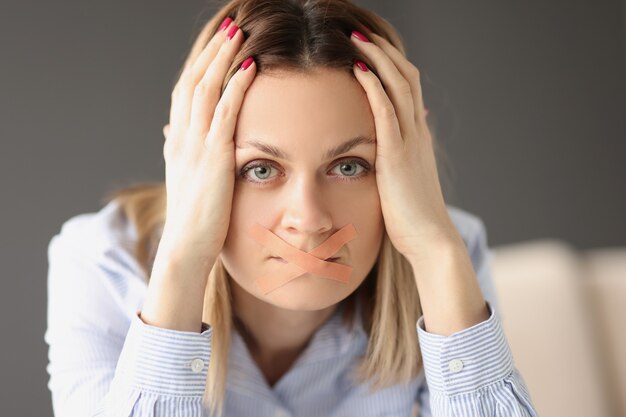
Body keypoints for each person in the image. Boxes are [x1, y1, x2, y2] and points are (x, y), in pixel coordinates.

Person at [45, 0, 539, 416]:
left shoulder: (450, 251)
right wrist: (184, 259)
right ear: (189, 162)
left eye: (348, 166)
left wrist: (437, 253)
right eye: (260, 169)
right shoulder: (102, 263)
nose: (308, 219)